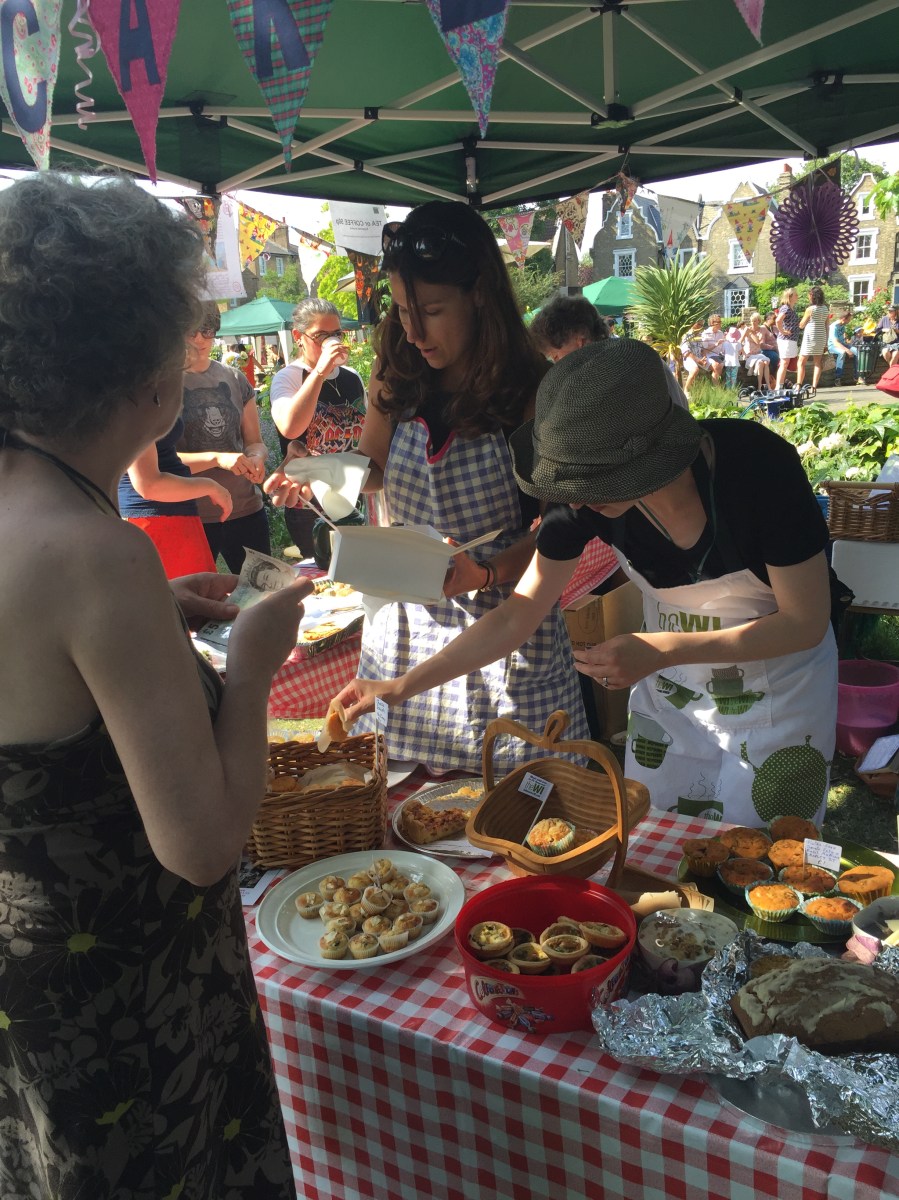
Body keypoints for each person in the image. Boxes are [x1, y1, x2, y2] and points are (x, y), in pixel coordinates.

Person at [0, 172, 307, 1197]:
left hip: (25, 971)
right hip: (126, 993)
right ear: (149, 379)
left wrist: (154, 624)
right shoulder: (99, 553)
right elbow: (203, 844)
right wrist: (252, 673)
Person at [335, 338, 837, 827]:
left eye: (592, 484)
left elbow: (804, 621)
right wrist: (400, 686)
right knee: (659, 838)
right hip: (676, 696)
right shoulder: (583, 500)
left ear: (648, 460)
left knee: (763, 851)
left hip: (778, 692)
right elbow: (516, 615)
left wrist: (661, 649)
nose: (575, 502)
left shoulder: (757, 471)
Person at [270, 202, 590, 773]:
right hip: (407, 622)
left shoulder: (531, 391)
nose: (414, 332)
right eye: (401, 310)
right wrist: (318, 472)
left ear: (479, 295)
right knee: (404, 802)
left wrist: (483, 571)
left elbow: (556, 528)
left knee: (516, 799)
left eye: (433, 311)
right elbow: (374, 464)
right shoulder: (397, 370)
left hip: (509, 622)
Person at [269, 298, 366, 559]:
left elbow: (365, 434)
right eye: (321, 335)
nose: (330, 341)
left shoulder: (351, 377)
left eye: (336, 334)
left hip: (352, 496)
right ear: (298, 337)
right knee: (325, 574)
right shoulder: (288, 377)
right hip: (309, 504)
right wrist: (320, 371)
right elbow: (290, 428)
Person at [178, 304, 271, 573]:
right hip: (194, 513)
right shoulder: (163, 383)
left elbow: (254, 441)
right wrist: (218, 459)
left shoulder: (234, 378)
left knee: (263, 591)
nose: (199, 338)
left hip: (246, 507)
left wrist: (256, 458)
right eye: (191, 331)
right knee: (198, 595)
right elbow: (160, 462)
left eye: (207, 330)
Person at [118, 411, 233, 577]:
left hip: (168, 520)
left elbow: (162, 459)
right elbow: (148, 485)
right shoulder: (135, 403)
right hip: (155, 523)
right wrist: (211, 487)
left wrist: (216, 458)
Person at [530, 294, 607, 362]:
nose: (554, 366)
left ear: (581, 340)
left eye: (555, 357)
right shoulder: (610, 355)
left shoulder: (592, 371)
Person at [796, 286, 829, 391]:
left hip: (810, 337)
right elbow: (827, 326)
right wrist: (826, 342)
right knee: (817, 363)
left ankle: (798, 385)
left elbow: (801, 325)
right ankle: (814, 387)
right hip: (821, 337)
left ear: (812, 296)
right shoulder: (825, 309)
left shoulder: (810, 309)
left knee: (801, 362)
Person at [680, 319, 715, 398]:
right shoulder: (686, 335)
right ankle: (686, 390)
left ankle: (713, 388)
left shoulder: (699, 335)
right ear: (693, 324)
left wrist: (704, 358)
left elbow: (702, 350)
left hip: (699, 357)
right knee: (695, 369)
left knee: (715, 367)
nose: (700, 326)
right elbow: (686, 352)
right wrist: (698, 360)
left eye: (702, 325)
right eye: (699, 324)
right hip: (689, 358)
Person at [774, 287, 800, 390]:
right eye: (795, 295)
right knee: (784, 363)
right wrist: (782, 331)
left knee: (786, 363)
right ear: (790, 296)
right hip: (786, 340)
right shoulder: (786, 308)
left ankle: (780, 386)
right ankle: (778, 387)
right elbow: (778, 320)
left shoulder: (791, 309)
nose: (797, 296)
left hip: (791, 340)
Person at [741, 312, 773, 390]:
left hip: (758, 353)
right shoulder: (747, 330)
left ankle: (768, 386)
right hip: (750, 355)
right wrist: (744, 353)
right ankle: (759, 386)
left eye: (755, 321)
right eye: (752, 321)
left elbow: (758, 342)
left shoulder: (761, 329)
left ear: (758, 321)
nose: (753, 323)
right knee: (761, 363)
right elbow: (740, 342)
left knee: (766, 362)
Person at [827, 308, 857, 386]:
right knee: (842, 353)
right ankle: (838, 378)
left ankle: (856, 376)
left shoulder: (842, 325)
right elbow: (836, 343)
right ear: (844, 319)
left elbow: (843, 338)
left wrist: (848, 345)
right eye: (849, 319)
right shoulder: (834, 327)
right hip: (833, 346)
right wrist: (847, 350)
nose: (849, 321)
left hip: (842, 344)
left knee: (856, 351)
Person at [699, 314, 726, 383]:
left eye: (720, 322)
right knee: (716, 365)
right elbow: (704, 350)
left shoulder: (720, 333)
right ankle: (717, 386)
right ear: (712, 323)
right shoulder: (706, 333)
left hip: (718, 355)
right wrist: (716, 344)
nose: (720, 323)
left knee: (720, 365)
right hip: (708, 355)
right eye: (718, 322)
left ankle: (716, 385)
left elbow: (722, 348)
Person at [759, 312, 780, 376]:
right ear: (768, 319)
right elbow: (761, 344)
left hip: (776, 350)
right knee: (775, 357)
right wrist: (773, 347)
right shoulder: (763, 328)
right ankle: (772, 375)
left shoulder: (774, 327)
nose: (776, 320)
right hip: (766, 351)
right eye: (774, 318)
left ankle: (779, 376)